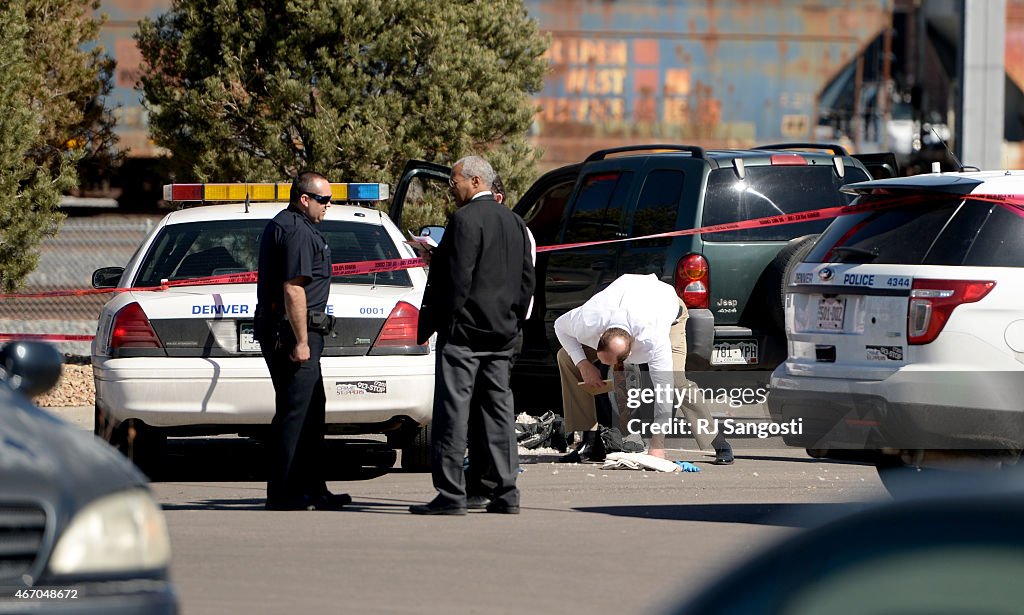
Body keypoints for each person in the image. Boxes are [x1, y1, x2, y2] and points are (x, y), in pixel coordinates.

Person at [411, 156, 535, 515]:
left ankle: (450, 494)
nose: (452, 190)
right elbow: (527, 280)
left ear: (476, 181)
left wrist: (447, 324)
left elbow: (458, 280)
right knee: (498, 413)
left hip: (464, 335)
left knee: (453, 413)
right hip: (502, 335)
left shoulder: (464, 220)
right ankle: (506, 491)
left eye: (455, 183)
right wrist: (512, 323)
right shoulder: (515, 222)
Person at [554, 273, 734, 464]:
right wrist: (583, 365)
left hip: (669, 315)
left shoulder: (652, 338)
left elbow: (663, 393)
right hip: (623, 303)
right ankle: (590, 442)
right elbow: (560, 326)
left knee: (676, 382)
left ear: (632, 348)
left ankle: (718, 442)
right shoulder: (588, 320)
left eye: (616, 363)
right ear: (599, 336)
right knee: (566, 357)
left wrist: (657, 445)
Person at [255, 171, 351, 511]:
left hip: (304, 329)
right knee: (295, 412)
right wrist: (301, 342)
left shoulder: (302, 227)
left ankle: (313, 488)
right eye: (323, 200)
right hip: (294, 331)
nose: (329, 206)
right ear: (304, 199)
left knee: (312, 410)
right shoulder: (295, 230)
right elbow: (293, 289)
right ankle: (283, 492)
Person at [463, 174, 537, 506]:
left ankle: (488, 483)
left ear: (499, 197)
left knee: (488, 409)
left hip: (496, 329)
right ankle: (491, 484)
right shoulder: (515, 227)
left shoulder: (513, 229)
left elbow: (524, 282)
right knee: (492, 408)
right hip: (505, 327)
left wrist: (512, 321)